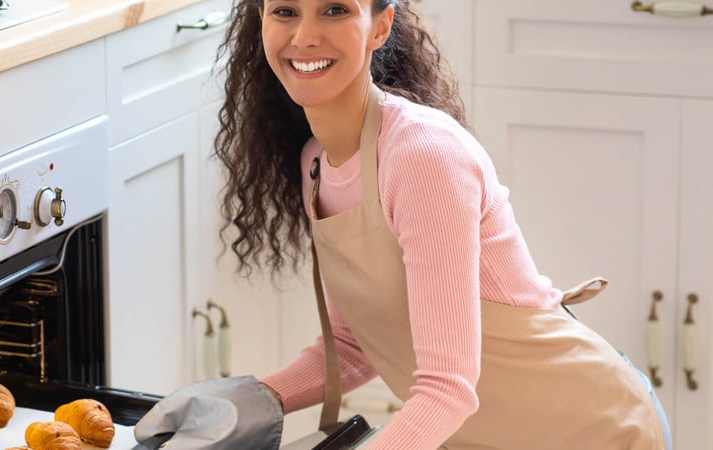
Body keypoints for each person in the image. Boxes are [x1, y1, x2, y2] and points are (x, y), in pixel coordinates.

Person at [133, 0, 673, 448]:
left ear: (380, 27)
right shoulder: (316, 162)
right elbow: (356, 342)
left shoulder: (422, 157)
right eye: (286, 11)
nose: (304, 35)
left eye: (334, 10)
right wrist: (257, 397)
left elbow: (447, 389)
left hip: (590, 429)